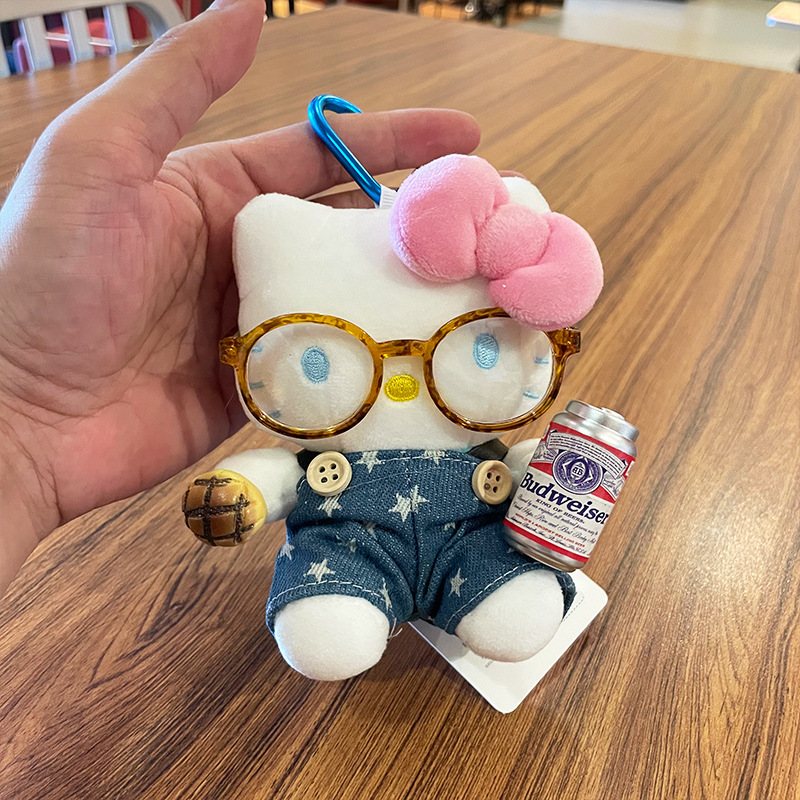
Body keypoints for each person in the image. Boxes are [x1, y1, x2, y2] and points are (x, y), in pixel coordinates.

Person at [0, 0, 480, 595]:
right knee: (328, 621)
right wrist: (18, 400)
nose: (403, 381)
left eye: (476, 349)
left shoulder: (480, 432)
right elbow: (274, 476)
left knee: (510, 605)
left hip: (473, 549)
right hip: (342, 556)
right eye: (319, 357)